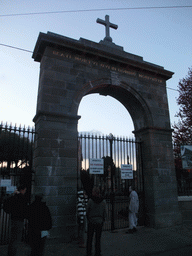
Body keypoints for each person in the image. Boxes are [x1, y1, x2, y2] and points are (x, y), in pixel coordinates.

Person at [3, 184, 28, 256]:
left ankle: (10, 253)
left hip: (13, 219)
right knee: (16, 239)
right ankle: (12, 254)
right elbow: (25, 210)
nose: (25, 192)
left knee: (12, 238)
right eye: (24, 190)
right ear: (22, 190)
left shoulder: (14, 197)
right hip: (19, 220)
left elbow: (7, 206)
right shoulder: (22, 198)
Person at [86, 187, 107, 256]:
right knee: (98, 238)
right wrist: (103, 219)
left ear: (94, 192)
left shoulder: (90, 201)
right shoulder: (103, 201)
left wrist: (89, 218)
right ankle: (97, 252)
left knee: (89, 238)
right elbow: (105, 212)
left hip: (91, 221)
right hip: (99, 221)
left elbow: (87, 211)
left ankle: (89, 252)